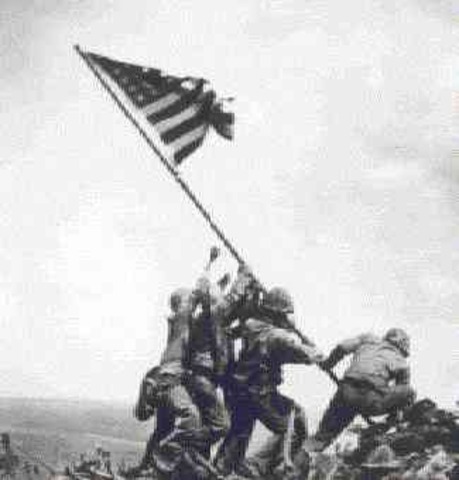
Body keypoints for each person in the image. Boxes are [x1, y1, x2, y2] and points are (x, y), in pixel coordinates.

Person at [214, 286, 325, 478]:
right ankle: (262, 467)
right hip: (261, 392)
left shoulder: (250, 325)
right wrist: (301, 337)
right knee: (295, 421)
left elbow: (234, 331)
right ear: (278, 315)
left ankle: (218, 470)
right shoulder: (278, 337)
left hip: (240, 389)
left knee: (239, 432)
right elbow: (314, 356)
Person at [129, 288, 207, 479]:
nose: (192, 304)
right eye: (188, 301)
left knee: (163, 428)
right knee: (191, 419)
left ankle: (147, 466)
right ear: (181, 304)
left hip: (164, 380)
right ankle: (159, 459)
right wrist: (205, 291)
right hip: (170, 380)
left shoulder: (179, 323)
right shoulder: (181, 318)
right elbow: (196, 301)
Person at [303, 328, 416, 453]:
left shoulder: (368, 339)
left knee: (322, 437)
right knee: (410, 392)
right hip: (370, 400)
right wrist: (395, 418)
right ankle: (387, 427)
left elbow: (342, 348)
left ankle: (301, 453)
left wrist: (328, 364)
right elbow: (402, 392)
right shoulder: (401, 362)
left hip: (345, 393)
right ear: (403, 347)